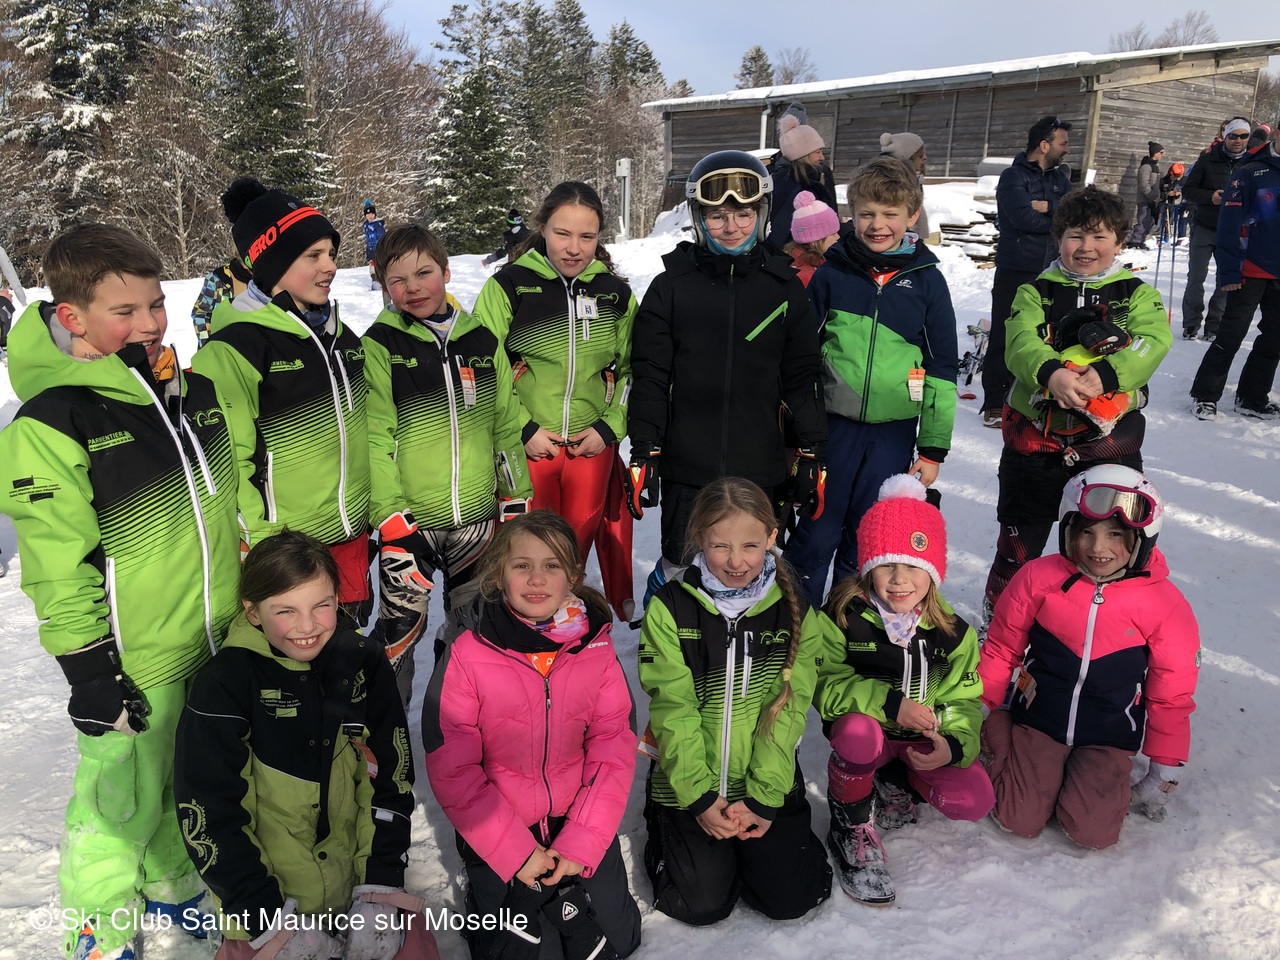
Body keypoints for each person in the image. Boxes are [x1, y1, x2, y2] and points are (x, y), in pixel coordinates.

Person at [0, 223, 242, 960]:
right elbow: (56, 561)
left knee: (181, 779)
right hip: (133, 655)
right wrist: (89, 669)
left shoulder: (182, 389)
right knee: (117, 801)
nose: (149, 323)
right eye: (125, 311)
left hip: (207, 634)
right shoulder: (53, 420)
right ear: (71, 317)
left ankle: (170, 877)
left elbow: (226, 506)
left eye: (156, 304)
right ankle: (98, 922)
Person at [174, 531, 432, 960]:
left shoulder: (363, 661)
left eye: (321, 605)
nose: (308, 626)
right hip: (266, 916)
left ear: (338, 598)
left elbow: (390, 776)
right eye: (285, 611)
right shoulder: (225, 682)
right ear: (253, 611)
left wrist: (381, 888)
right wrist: (266, 919)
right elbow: (210, 811)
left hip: (360, 895)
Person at [422, 510, 641, 960]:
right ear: (499, 573)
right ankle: (483, 887)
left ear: (573, 576)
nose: (536, 579)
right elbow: (453, 764)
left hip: (575, 817)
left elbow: (614, 747)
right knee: (521, 952)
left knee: (617, 941)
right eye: (522, 565)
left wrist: (581, 841)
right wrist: (514, 852)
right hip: (500, 823)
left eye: (552, 565)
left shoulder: (594, 647)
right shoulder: (469, 650)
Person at [627, 150, 827, 604]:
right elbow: (651, 376)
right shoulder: (670, 287)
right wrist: (645, 451)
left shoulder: (783, 288)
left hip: (761, 467)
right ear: (699, 218)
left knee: (750, 569)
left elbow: (802, 378)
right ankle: (670, 641)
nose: (731, 226)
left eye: (743, 214)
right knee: (684, 572)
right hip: (688, 467)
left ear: (762, 215)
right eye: (717, 215)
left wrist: (812, 450)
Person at [638, 478, 832, 925]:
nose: (736, 561)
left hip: (763, 775)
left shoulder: (794, 611)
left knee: (789, 900)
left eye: (750, 545)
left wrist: (764, 798)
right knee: (701, 905)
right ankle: (670, 829)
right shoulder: (671, 607)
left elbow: (788, 711)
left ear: (771, 536)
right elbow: (673, 709)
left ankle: (766, 846)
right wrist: (700, 798)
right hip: (691, 779)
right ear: (699, 538)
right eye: (720, 546)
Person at [979, 466, 1200, 849]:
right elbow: (1002, 647)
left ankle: (1075, 781)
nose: (1098, 548)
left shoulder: (1165, 604)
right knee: (1018, 818)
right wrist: (978, 706)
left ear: (1142, 538)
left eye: (1115, 534)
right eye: (1086, 532)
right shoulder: (1038, 578)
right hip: (1040, 720)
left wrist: (1165, 763)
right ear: (1068, 531)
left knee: (1094, 833)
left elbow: (1172, 692)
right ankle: (998, 734)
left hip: (1109, 734)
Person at [190, 178, 374, 626]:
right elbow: (229, 465)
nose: (330, 266)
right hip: (286, 550)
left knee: (348, 649)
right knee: (295, 658)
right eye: (313, 256)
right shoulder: (234, 349)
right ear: (272, 263)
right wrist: (263, 541)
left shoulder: (341, 337)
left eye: (331, 253)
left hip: (351, 536)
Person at [363, 222, 533, 704]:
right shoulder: (380, 344)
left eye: (424, 273)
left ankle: (457, 718)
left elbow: (505, 425)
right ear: (384, 286)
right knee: (398, 635)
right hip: (409, 526)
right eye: (398, 280)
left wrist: (516, 494)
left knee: (475, 630)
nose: (413, 288)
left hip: (476, 521)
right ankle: (388, 734)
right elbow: (375, 438)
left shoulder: (481, 341)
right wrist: (391, 515)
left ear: (447, 271)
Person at [981, 185, 1171, 615]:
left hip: (1109, 440)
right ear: (1059, 239)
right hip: (1035, 438)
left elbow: (1153, 341)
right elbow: (1020, 342)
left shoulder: (1137, 294)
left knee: (1106, 537)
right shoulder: (1035, 292)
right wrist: (1051, 373)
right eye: (1075, 236)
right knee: (1020, 539)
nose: (1086, 247)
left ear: (1118, 243)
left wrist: (1107, 374)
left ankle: (1095, 619)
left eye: (1099, 236)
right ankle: (1003, 616)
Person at [784, 155, 958, 609]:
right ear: (851, 214)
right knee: (816, 530)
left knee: (867, 532)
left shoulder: (927, 283)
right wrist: (795, 429)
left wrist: (933, 449)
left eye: (890, 214)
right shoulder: (832, 274)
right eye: (866, 213)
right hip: (832, 428)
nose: (877, 224)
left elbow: (942, 368)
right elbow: (801, 356)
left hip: (892, 434)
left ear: (912, 216)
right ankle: (797, 623)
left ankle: (848, 621)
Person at [816, 475, 992, 904]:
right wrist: (890, 704)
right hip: (869, 738)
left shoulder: (953, 632)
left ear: (933, 571)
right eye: (886, 565)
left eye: (913, 566)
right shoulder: (843, 615)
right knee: (857, 733)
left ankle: (897, 781)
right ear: (867, 567)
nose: (899, 580)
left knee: (974, 798)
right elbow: (824, 685)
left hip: (917, 743)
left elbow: (962, 699)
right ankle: (850, 823)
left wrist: (953, 743)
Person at [471, 182, 638, 622]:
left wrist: (609, 426)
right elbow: (484, 365)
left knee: (573, 551)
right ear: (542, 227)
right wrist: (522, 428)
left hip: (591, 445)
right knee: (526, 554)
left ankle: (568, 632)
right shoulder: (508, 286)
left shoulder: (614, 294)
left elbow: (635, 369)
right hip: (529, 445)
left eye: (587, 236)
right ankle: (519, 633)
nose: (574, 248)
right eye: (562, 233)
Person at [981, 115, 1074, 428]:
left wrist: (1047, 206)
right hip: (1017, 268)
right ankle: (995, 402)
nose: (1067, 149)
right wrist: (1056, 217)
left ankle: (1034, 396)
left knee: (1047, 335)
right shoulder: (1013, 177)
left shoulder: (1060, 178)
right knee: (1006, 333)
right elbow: (1022, 218)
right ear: (1044, 145)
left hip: (1053, 270)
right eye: (1063, 143)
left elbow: (1074, 210)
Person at [1189, 135, 1280, 420]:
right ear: (1278, 134)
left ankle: (1252, 397)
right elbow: (1229, 223)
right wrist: (1229, 270)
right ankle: (1205, 395)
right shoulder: (1251, 170)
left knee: (1275, 338)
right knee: (1231, 333)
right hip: (1250, 267)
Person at [1180, 117, 1253, 340]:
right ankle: (1191, 324)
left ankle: (1214, 325)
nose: (1238, 140)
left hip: (1233, 230)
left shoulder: (1252, 163)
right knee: (1196, 277)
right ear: (1224, 136)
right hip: (1205, 225)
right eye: (1233, 136)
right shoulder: (1207, 160)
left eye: (1243, 136)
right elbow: (1188, 190)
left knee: (1225, 280)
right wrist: (1209, 197)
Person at [190, 177, 256, 348]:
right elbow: (200, 314)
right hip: (226, 353)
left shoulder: (273, 278)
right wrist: (209, 345)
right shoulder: (219, 279)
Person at [768, 114, 839, 250]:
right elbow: (780, 231)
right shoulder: (794, 185)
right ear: (803, 155)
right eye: (817, 152)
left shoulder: (810, 178)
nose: (822, 157)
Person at [879, 131, 934, 242]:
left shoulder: (913, 179)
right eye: (920, 154)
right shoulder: (891, 181)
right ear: (908, 157)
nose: (925, 157)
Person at [782, 190, 841, 286]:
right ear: (816, 240)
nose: (838, 237)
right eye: (833, 233)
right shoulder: (810, 276)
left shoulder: (796, 262)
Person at [1126, 141, 1164, 247]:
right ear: (1155, 153)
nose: (1162, 155)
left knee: (1148, 222)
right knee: (1142, 221)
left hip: (1152, 200)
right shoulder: (1146, 167)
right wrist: (1153, 196)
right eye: (1161, 152)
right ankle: (1136, 242)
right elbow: (1143, 184)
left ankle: (1140, 241)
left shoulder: (1154, 166)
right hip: (1145, 199)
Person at [364, 199, 387, 290]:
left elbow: (382, 238)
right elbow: (368, 240)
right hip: (371, 250)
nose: (370, 216)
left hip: (379, 250)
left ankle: (381, 282)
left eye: (372, 213)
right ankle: (374, 282)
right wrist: (368, 251)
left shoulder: (378, 225)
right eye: (368, 214)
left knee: (379, 266)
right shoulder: (366, 225)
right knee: (372, 267)